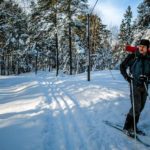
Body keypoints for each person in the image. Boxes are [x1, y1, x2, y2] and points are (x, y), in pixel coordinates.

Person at [120, 39, 150, 136]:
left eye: (144, 47)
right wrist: (127, 77)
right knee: (136, 107)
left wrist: (148, 77)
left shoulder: (149, 58)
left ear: (147, 48)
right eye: (140, 46)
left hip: (145, 85)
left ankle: (134, 127)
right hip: (135, 84)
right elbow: (122, 66)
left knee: (141, 107)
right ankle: (126, 127)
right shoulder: (133, 56)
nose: (141, 48)